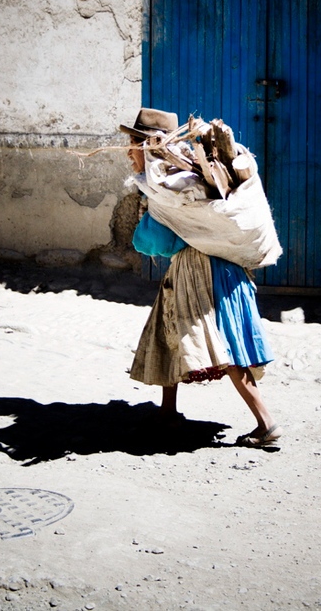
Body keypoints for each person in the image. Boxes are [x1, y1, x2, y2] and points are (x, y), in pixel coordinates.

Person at [121, 107, 282, 448]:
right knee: (170, 333)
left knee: (221, 345)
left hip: (199, 274)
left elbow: (159, 242)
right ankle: (167, 411)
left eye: (132, 144)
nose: (128, 152)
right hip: (224, 270)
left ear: (147, 146)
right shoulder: (187, 178)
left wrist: (144, 227)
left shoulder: (167, 186)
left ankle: (266, 423)